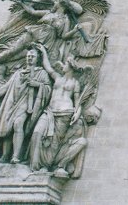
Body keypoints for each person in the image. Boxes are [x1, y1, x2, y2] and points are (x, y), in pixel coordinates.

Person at [0, 48, 52, 164]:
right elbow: (4, 89)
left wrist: (37, 85)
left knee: (17, 124)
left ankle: (16, 156)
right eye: (28, 56)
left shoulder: (42, 73)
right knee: (8, 127)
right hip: (12, 104)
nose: (30, 58)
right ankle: (5, 156)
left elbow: (48, 88)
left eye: (33, 56)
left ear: (38, 59)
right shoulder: (18, 73)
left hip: (27, 105)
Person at [28, 43, 88, 178]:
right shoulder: (57, 77)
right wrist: (43, 51)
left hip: (65, 113)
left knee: (54, 143)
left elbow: (78, 102)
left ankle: (46, 166)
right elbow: (48, 67)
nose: (63, 66)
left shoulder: (75, 83)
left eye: (65, 64)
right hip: (49, 112)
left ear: (71, 66)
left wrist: (77, 114)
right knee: (37, 133)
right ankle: (34, 167)